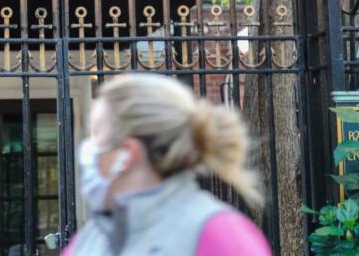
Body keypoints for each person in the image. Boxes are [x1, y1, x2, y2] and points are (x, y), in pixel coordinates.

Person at [62, 73, 270, 256]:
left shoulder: (219, 234)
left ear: (127, 154)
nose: (88, 149)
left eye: (96, 134)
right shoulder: (93, 236)